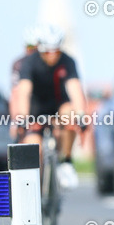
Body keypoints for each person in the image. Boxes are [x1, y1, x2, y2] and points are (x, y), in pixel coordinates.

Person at [10, 24, 87, 189]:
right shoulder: (29, 63)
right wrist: (22, 117)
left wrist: (81, 115)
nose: (52, 56)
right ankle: (34, 189)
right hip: (35, 108)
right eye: (47, 52)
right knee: (34, 147)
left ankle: (65, 161)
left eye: (56, 52)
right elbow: (23, 91)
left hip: (58, 105)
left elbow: (75, 89)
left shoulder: (67, 61)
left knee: (70, 116)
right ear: (40, 49)